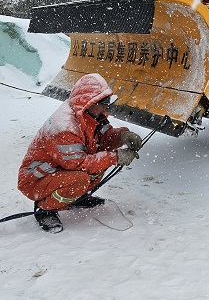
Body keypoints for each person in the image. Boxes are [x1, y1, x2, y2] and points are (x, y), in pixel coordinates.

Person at [17, 73, 142, 233]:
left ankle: (77, 198)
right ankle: (45, 208)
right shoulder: (64, 128)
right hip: (36, 180)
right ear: (89, 101)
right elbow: (80, 164)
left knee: (99, 163)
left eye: (108, 101)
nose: (106, 107)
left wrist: (122, 136)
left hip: (59, 171)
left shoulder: (91, 115)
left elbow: (104, 138)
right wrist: (116, 157)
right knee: (81, 178)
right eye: (103, 102)